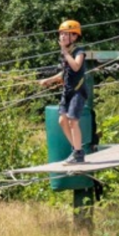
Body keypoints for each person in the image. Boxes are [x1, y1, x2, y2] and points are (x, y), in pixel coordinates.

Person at [38, 20, 88, 164]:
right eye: (61, 34)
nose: (63, 37)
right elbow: (65, 73)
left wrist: (66, 53)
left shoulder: (79, 51)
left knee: (73, 121)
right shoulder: (65, 54)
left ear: (74, 37)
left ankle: (78, 153)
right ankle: (76, 150)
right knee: (62, 121)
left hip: (78, 91)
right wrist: (49, 80)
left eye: (66, 34)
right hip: (68, 91)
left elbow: (76, 67)